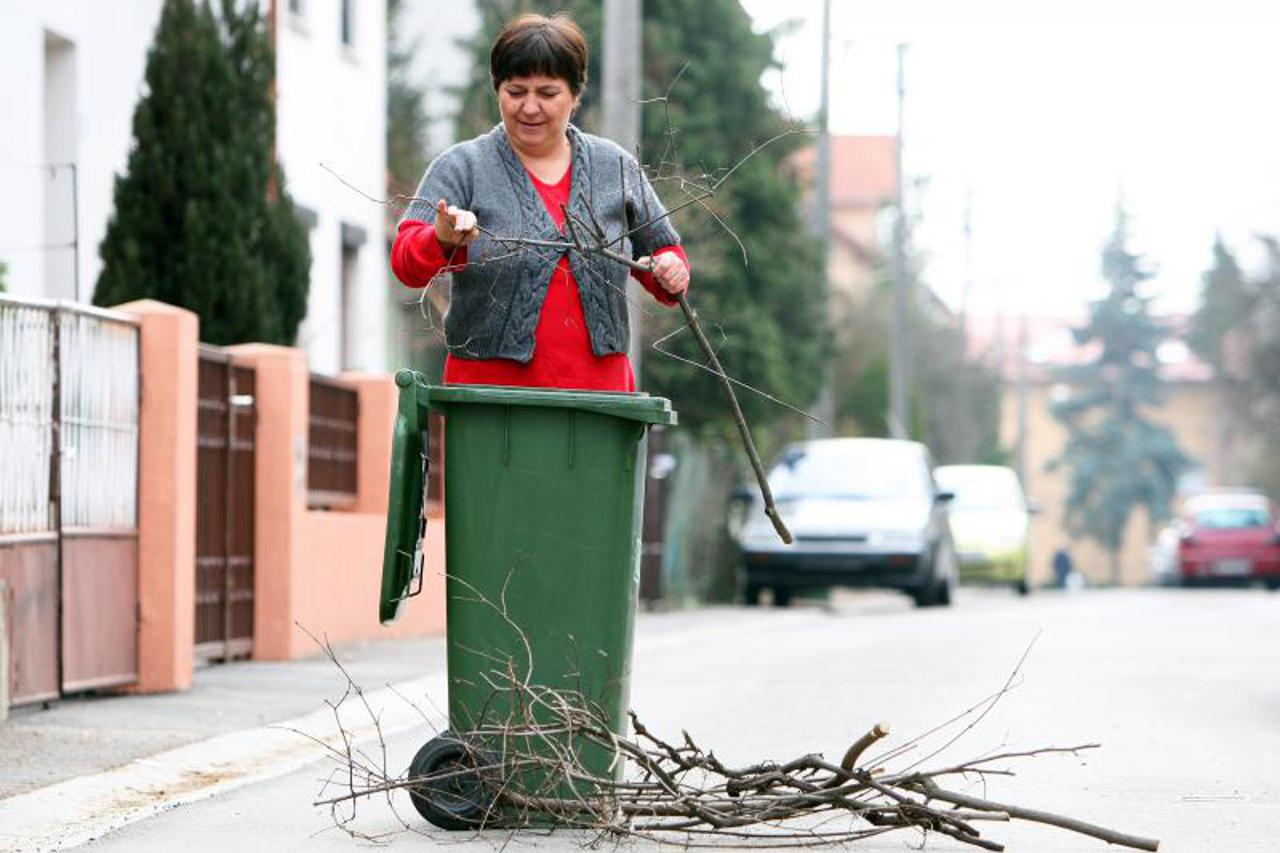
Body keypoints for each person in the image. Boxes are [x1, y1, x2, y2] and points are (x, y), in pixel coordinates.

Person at [391, 13, 690, 393]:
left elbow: (666, 255)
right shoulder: (462, 167)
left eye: (547, 93)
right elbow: (405, 262)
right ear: (497, 88)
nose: (529, 108)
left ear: (576, 96)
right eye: (516, 92)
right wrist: (441, 238)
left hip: (600, 400)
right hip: (489, 400)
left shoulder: (614, 166)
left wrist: (670, 269)